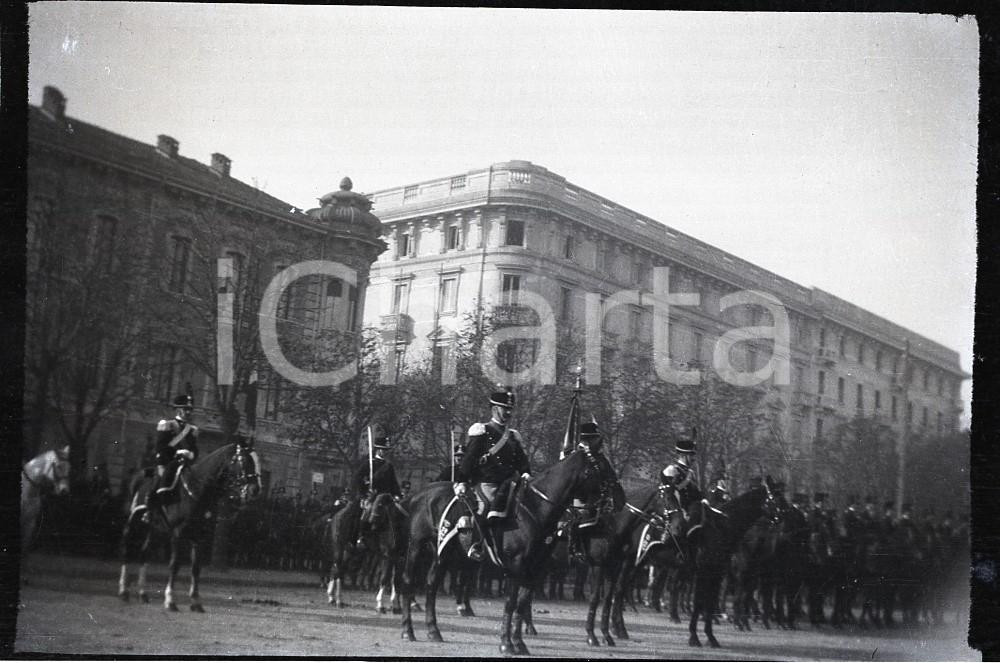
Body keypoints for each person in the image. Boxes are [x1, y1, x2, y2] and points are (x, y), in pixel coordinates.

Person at [453, 388, 530, 527]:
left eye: (510, 409)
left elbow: (521, 460)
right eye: (505, 409)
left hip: (511, 485)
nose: (509, 413)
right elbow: (469, 459)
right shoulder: (482, 431)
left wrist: (526, 472)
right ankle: (477, 546)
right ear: (494, 409)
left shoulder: (513, 435)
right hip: (488, 484)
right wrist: (462, 481)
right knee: (484, 511)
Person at [146, 393, 199, 515]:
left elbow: (195, 449)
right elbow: (160, 447)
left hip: (183, 464)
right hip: (167, 462)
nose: (188, 412)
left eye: (190, 410)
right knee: (160, 479)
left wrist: (191, 454)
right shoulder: (167, 425)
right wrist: (177, 452)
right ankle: (150, 509)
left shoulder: (193, 430)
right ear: (179, 410)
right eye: (186, 409)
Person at [353, 430, 402, 546]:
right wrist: (364, 491)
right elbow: (358, 479)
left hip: (387, 497)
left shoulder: (388, 466)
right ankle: (362, 536)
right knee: (368, 510)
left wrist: (398, 495)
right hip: (372, 496)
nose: (385, 452)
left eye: (386, 450)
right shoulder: (368, 463)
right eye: (383, 450)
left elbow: (394, 483)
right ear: (378, 450)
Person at [659, 436, 703, 539]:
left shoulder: (691, 472)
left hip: (693, 511)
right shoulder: (671, 470)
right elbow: (670, 492)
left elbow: (696, 494)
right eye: (691, 455)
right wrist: (687, 480)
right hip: (678, 512)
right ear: (683, 455)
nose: (693, 459)